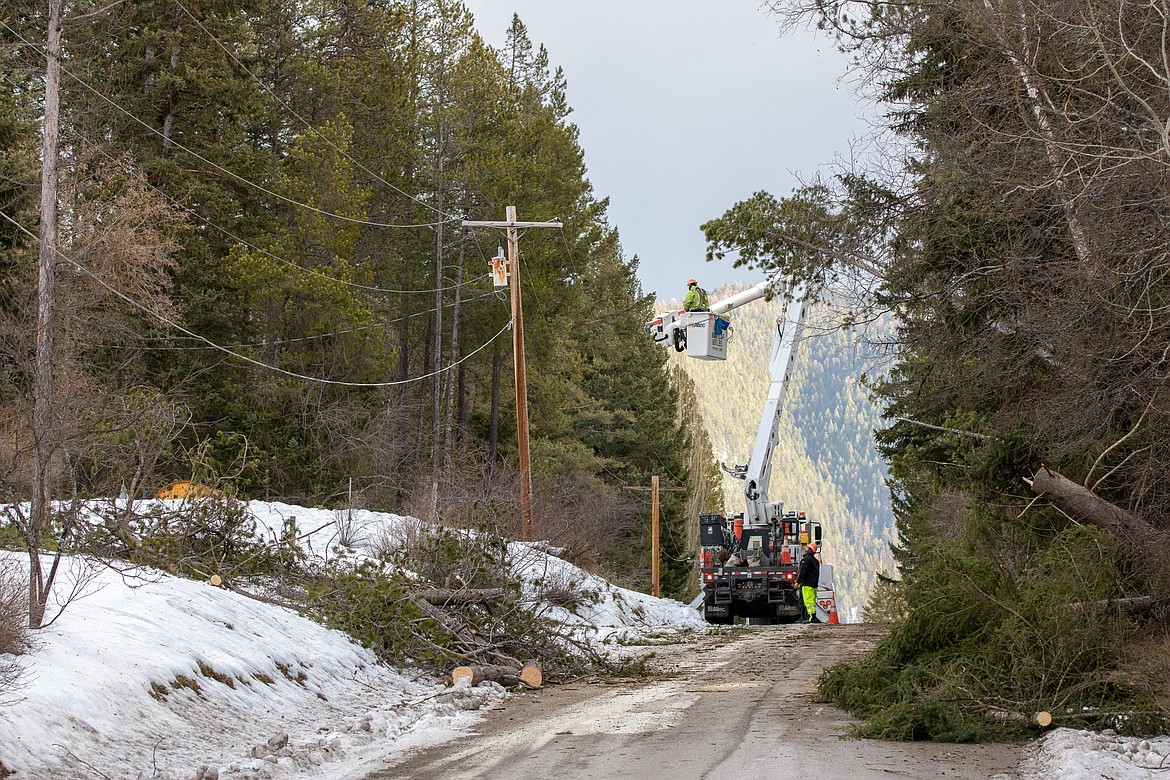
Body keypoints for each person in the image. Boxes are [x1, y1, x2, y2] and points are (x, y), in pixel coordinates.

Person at [794, 540, 821, 623]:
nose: (805, 549)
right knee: (812, 601)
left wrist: (797, 582)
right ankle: (812, 616)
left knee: (807, 601)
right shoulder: (815, 561)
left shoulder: (806, 560)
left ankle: (809, 617)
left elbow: (803, 572)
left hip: (806, 585)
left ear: (810, 550)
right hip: (814, 585)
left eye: (808, 548)